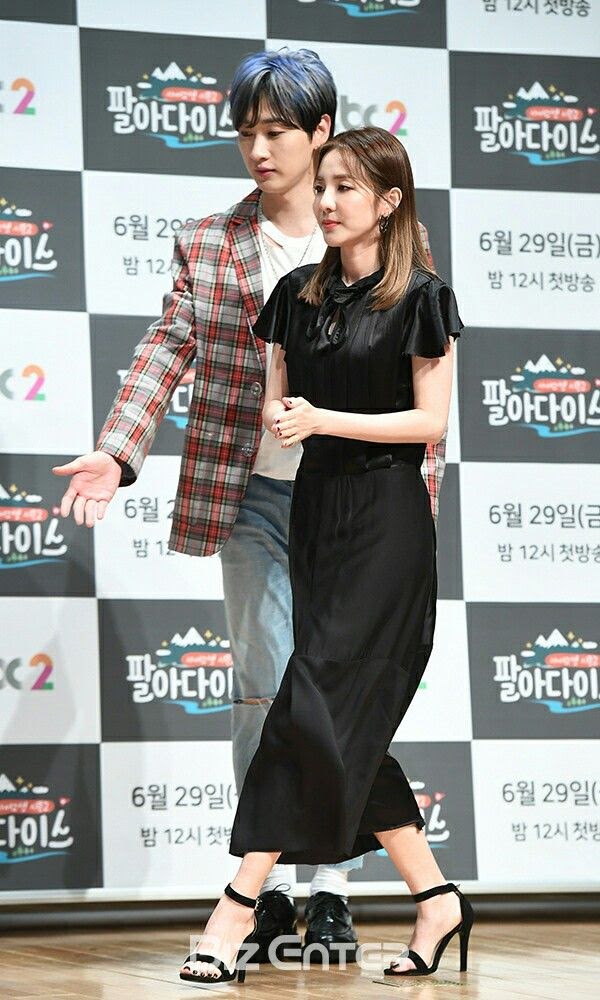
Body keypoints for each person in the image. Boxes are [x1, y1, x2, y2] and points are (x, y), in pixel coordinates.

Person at [51, 49, 446, 965]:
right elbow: (165, 348)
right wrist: (118, 449)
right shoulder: (210, 240)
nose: (258, 150)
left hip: (362, 505)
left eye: (276, 131)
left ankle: (330, 890)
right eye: (245, 133)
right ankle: (266, 895)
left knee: (334, 694)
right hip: (257, 497)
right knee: (272, 691)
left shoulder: (390, 237)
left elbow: (421, 387)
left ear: (320, 132)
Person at [179, 126, 474, 987]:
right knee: (342, 723)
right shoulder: (295, 296)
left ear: (389, 201)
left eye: (347, 187)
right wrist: (285, 414)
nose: (328, 200)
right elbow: (279, 400)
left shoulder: (421, 296)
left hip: (387, 524)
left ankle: (233, 910)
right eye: (325, 185)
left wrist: (321, 420)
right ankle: (437, 900)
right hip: (317, 516)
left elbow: (430, 423)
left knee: (307, 706)